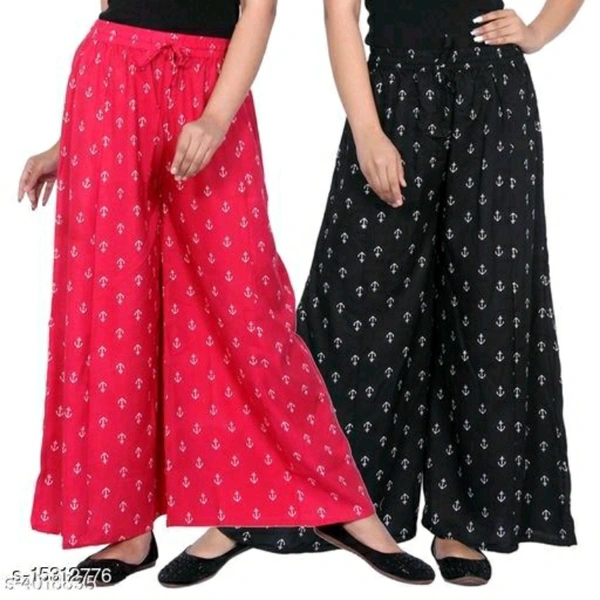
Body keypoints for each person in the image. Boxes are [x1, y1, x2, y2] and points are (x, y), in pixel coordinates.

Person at [17, 0, 436, 588]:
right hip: (108, 85)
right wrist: (71, 141)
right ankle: (127, 528)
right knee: (116, 311)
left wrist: (215, 117)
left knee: (250, 310)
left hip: (212, 86)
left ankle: (343, 506)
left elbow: (258, 11)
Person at [218, 0, 583, 586]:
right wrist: (367, 131)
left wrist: (537, 31)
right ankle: (323, 495)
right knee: (353, 304)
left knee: (485, 304)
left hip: (492, 96)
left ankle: (462, 519)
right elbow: (340, 15)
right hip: (391, 97)